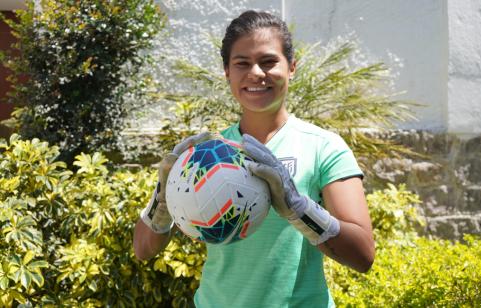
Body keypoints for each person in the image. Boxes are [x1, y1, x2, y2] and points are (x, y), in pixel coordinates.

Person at [133, 10, 375, 308]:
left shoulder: (324, 147)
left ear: (292, 67)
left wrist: (297, 206)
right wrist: (162, 198)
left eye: (269, 61)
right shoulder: (206, 153)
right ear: (227, 72)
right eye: (242, 63)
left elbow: (363, 255)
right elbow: (143, 249)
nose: (256, 73)